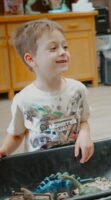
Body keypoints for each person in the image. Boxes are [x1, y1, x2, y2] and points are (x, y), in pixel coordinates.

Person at [0, 19, 94, 163]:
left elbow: (83, 121)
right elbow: (17, 135)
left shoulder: (78, 90)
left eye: (65, 46)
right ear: (31, 59)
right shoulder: (23, 99)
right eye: (53, 48)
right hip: (40, 168)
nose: (63, 52)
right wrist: (3, 151)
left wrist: (85, 133)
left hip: (74, 163)